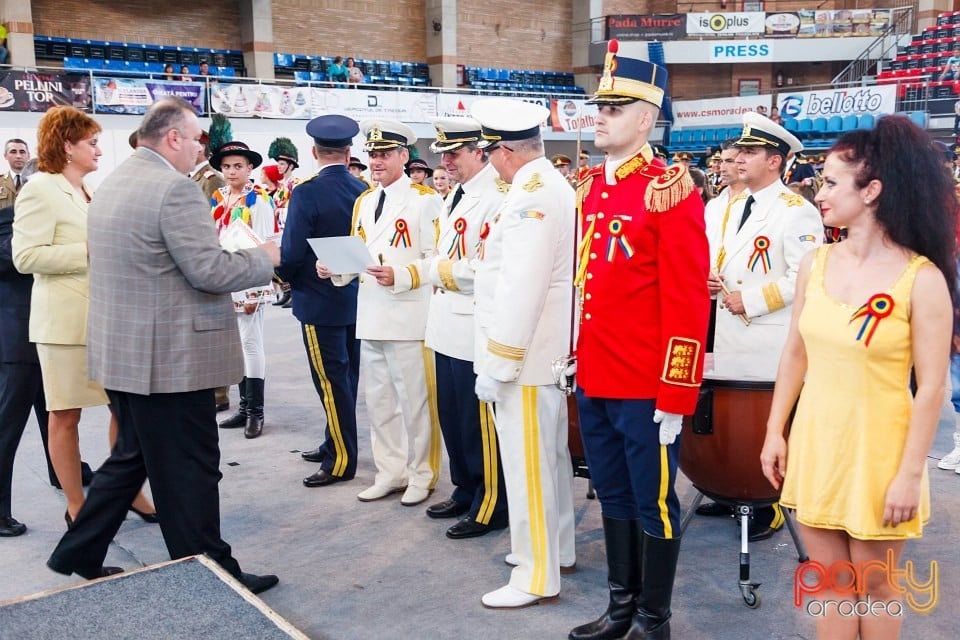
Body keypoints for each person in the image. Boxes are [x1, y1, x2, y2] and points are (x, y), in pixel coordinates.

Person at [46, 96, 280, 593]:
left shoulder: (112, 182)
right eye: (197, 138)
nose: (202, 148)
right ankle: (212, 573)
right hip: (171, 359)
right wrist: (263, 257)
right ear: (172, 137)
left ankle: (79, 548)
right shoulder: (173, 189)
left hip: (127, 353)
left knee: (134, 455)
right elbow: (209, 270)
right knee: (190, 472)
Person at [761, 115, 956, 639]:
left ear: (872, 190)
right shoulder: (815, 264)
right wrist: (775, 430)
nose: (819, 193)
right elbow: (795, 353)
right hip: (819, 441)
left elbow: (933, 387)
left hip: (882, 452)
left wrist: (910, 474)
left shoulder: (923, 279)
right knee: (830, 582)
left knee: (876, 587)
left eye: (829, 182)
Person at [569, 40, 709, 640]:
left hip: (646, 387)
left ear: (647, 119)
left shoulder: (668, 189)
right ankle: (620, 606)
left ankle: (655, 618)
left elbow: (686, 301)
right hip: (597, 377)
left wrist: (677, 393)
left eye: (614, 108)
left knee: (654, 502)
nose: (599, 116)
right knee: (615, 498)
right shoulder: (592, 189)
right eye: (598, 106)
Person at [12, 106, 156, 526]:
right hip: (64, 324)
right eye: (91, 142)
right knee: (65, 416)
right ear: (66, 145)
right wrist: (89, 251)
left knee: (121, 410)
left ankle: (128, 492)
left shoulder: (87, 189)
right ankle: (77, 506)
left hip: (105, 319)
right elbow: (25, 257)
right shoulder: (40, 188)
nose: (98, 150)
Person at [468, 97, 576, 609]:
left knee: (528, 463)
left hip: (527, 356)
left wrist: (500, 361)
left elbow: (522, 285)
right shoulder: (543, 185)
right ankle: (555, 550)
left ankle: (536, 575)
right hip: (540, 353)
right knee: (548, 459)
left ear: (504, 151)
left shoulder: (534, 192)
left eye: (491, 153)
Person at [702, 112, 823, 541]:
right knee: (730, 418)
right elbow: (716, 256)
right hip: (726, 328)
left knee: (765, 421)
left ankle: (767, 504)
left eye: (750, 153)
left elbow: (806, 276)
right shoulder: (727, 206)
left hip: (768, 334)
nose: (738, 159)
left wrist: (750, 299)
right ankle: (731, 490)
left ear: (775, 162)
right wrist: (707, 276)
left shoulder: (796, 212)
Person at [394, 116, 510, 539]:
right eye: (444, 153)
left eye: (455, 153)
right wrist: (406, 274)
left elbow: (489, 268)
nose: (447, 161)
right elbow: (442, 255)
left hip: (474, 321)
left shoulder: (498, 197)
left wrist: (439, 273)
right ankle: (465, 487)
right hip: (444, 323)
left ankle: (493, 501)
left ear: (480, 152)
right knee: (453, 417)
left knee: (479, 422)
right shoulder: (452, 196)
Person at [317, 119, 443, 507]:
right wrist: (334, 268)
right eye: (372, 154)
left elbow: (436, 259)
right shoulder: (364, 201)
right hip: (370, 313)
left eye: (385, 154)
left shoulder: (424, 199)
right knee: (380, 401)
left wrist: (402, 275)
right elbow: (360, 253)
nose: (376, 161)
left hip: (408, 314)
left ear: (404, 156)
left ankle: (423, 473)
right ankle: (391, 472)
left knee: (416, 403)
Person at [276, 115, 365, 488]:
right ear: (348, 153)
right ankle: (335, 441)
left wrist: (286, 279)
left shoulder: (306, 192)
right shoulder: (363, 189)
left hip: (318, 298)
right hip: (356, 297)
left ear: (314, 152)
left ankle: (341, 459)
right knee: (346, 378)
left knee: (330, 382)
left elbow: (293, 251)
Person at [210, 141, 277, 439]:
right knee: (235, 347)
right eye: (226, 166)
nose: (232, 171)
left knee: (251, 344)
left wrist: (255, 290)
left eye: (238, 166)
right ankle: (243, 405)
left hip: (249, 280)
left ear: (250, 168)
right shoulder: (219, 198)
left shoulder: (258, 201)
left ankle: (255, 412)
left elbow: (265, 246)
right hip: (225, 278)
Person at [1, 138, 30, 210]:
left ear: (28, 156)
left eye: (22, 152)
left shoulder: (37, 182)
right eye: (13, 152)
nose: (18, 156)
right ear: (5, 156)